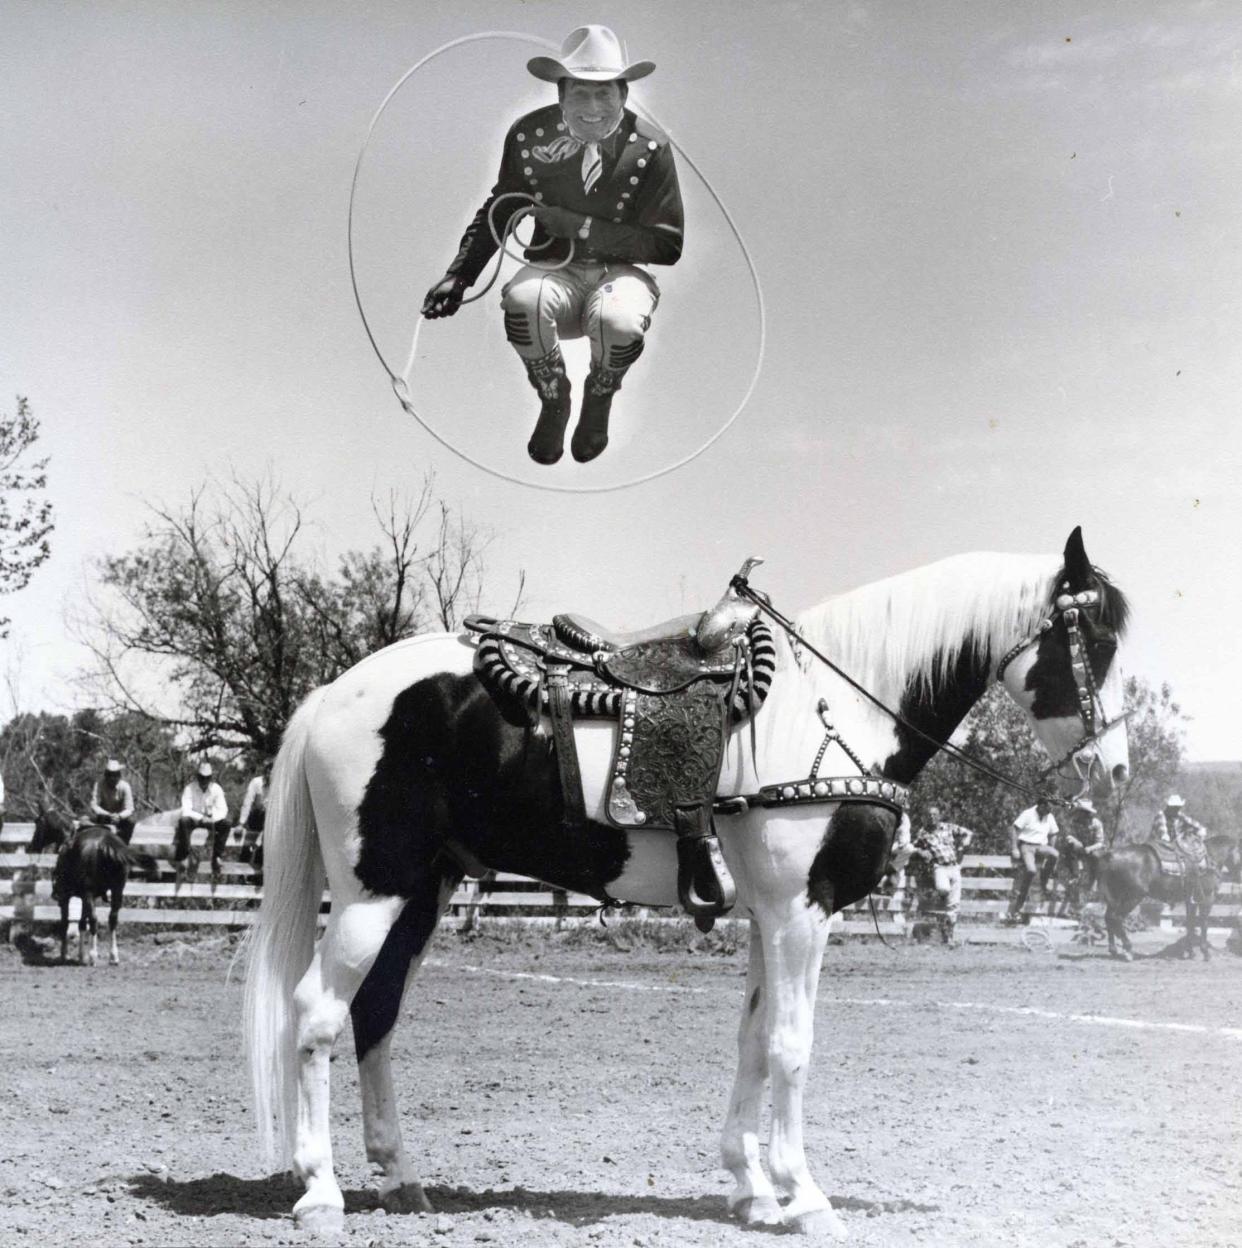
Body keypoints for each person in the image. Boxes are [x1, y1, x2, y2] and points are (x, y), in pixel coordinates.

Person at [422, 24, 684, 466]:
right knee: (523, 300)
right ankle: (553, 396)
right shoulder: (529, 137)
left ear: (624, 95)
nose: (593, 108)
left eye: (605, 95)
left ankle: (600, 394)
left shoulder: (650, 146)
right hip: (553, 273)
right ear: (560, 95)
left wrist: (580, 226)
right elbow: (501, 207)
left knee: (619, 323)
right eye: (581, 94)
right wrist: (459, 275)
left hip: (618, 274)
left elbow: (667, 244)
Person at [908, 804, 973, 946]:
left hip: (954, 866)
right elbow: (912, 847)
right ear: (926, 817)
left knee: (954, 906)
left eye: (935, 814)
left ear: (939, 816)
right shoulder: (923, 832)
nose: (932, 817)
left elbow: (968, 833)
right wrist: (920, 852)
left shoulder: (948, 827)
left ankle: (949, 937)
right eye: (929, 815)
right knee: (944, 889)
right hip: (939, 867)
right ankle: (944, 908)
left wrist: (963, 845)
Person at [1006, 794, 1060, 920]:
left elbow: (1054, 833)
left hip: (1041, 846)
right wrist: (1014, 848)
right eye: (1047, 808)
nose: (1049, 811)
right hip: (1027, 845)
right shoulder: (1028, 814)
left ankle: (1044, 880)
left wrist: (1050, 848)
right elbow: (1014, 829)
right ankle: (1017, 906)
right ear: (1041, 805)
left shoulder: (1049, 816)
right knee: (1031, 870)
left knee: (1055, 854)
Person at [174, 761, 230, 874]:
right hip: (195, 819)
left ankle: (217, 857)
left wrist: (212, 818)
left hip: (211, 819)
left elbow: (223, 809)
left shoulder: (217, 789)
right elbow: (186, 810)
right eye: (201, 777)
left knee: (226, 824)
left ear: (210, 778)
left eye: (207, 778)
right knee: (183, 821)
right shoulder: (189, 788)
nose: (204, 780)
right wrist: (201, 818)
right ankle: (184, 856)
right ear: (197, 777)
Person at [1056, 797, 1105, 912]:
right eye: (1081, 812)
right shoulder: (1073, 822)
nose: (1082, 815)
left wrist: (1089, 848)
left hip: (1092, 849)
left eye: (1084, 813)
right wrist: (1076, 843)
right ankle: (1074, 874)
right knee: (1069, 850)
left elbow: (1100, 842)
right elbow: (1068, 835)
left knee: (1098, 857)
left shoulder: (1096, 824)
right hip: (1077, 848)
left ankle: (1099, 879)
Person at [89, 758, 137, 844]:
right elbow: (94, 805)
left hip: (120, 820)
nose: (113, 778)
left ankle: (124, 846)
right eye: (110, 775)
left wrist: (119, 816)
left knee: (131, 826)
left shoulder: (125, 786)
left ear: (119, 775)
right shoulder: (99, 784)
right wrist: (108, 814)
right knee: (85, 822)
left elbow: (129, 808)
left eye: (115, 775)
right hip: (103, 818)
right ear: (106, 775)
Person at [1152, 793, 1208, 868]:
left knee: (1192, 850)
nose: (1176, 809)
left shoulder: (1180, 816)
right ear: (1169, 807)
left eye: (1177, 807)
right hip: (1161, 842)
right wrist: (1164, 835)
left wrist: (1200, 830)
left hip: (1177, 841)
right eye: (1174, 807)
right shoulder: (1161, 815)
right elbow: (1161, 829)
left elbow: (1193, 823)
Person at [237, 766, 268, 867]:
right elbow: (247, 802)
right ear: (265, 773)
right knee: (248, 847)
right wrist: (241, 823)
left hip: (271, 820)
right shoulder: (256, 782)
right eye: (268, 773)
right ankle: (241, 875)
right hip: (257, 817)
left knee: (263, 849)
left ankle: (258, 878)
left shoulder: (281, 784)